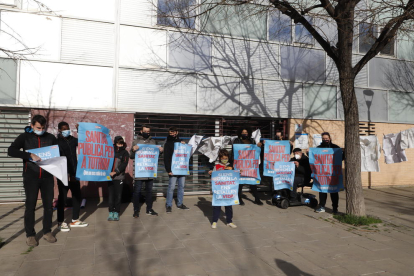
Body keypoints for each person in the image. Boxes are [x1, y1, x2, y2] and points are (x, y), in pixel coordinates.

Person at [8, 115, 58, 246]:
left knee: (48, 206)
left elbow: (58, 153)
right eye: (37, 127)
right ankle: (30, 235)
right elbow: (11, 150)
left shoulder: (50, 138)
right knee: (30, 206)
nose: (40, 130)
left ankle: (47, 232)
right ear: (32, 126)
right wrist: (29, 155)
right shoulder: (24, 137)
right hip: (31, 177)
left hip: (47, 177)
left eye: (43, 127)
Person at [56, 122, 88, 232]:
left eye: (68, 128)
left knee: (76, 196)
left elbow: (84, 142)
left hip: (74, 173)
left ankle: (75, 219)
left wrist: (81, 131)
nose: (67, 131)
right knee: (62, 198)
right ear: (59, 130)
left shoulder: (73, 140)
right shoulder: (56, 142)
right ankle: (60, 222)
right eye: (64, 129)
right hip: (63, 174)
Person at [130, 125, 163, 218]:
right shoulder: (136, 142)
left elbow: (156, 156)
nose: (147, 133)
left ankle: (149, 209)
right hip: (140, 171)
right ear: (141, 131)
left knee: (149, 191)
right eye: (145, 131)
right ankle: (136, 210)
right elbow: (131, 156)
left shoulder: (153, 142)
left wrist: (160, 151)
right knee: (137, 192)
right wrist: (133, 150)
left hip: (150, 172)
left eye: (148, 131)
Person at [232, 126, 263, 206]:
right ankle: (239, 198)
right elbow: (234, 152)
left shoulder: (252, 141)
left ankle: (257, 199)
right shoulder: (237, 140)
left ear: (248, 133)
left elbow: (256, 152)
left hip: (250, 166)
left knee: (253, 183)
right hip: (241, 165)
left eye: (246, 132)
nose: (244, 134)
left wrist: (259, 146)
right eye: (243, 133)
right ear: (240, 133)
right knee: (240, 183)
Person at [315, 132, 343, 214]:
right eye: (323, 139)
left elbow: (341, 158)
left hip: (333, 174)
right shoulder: (318, 148)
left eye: (326, 138)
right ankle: (322, 206)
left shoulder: (335, 148)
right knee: (322, 191)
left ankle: (335, 208)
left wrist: (343, 152)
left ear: (330, 138)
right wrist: (308, 153)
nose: (325, 140)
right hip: (323, 174)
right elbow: (314, 158)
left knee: (334, 192)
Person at [208, 149, 237, 229]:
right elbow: (213, 178)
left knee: (229, 206)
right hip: (219, 190)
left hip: (228, 190)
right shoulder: (216, 167)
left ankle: (229, 221)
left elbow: (235, 176)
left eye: (226, 158)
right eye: (223, 158)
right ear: (220, 158)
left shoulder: (231, 166)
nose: (225, 160)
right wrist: (211, 174)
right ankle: (214, 221)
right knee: (217, 206)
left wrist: (238, 172)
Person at [164, 127, 189, 213]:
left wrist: (184, 145)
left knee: (181, 187)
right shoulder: (167, 143)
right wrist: (168, 170)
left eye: (173, 132)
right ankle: (168, 205)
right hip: (173, 169)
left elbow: (186, 155)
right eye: (170, 133)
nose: (172, 134)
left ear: (177, 132)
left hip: (182, 168)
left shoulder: (181, 143)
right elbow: (166, 158)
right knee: (171, 187)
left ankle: (180, 204)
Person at [108, 136, 129, 221]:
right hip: (109, 177)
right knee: (111, 196)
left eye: (121, 143)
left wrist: (116, 172)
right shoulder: (109, 151)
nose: (120, 145)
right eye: (118, 143)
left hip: (119, 177)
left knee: (118, 196)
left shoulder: (125, 152)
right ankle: (111, 212)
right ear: (115, 143)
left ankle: (116, 212)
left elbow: (124, 164)